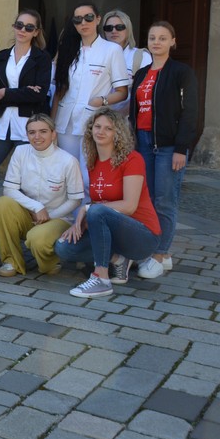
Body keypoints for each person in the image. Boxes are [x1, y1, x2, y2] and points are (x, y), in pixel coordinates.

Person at [59, 107, 161, 298]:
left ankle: (101, 279)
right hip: (114, 234)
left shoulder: (133, 159)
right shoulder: (93, 161)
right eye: (97, 126)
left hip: (143, 235)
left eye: (108, 128)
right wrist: (79, 224)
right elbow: (101, 208)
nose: (101, 131)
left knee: (96, 211)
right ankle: (118, 259)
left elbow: (129, 206)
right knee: (64, 247)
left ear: (118, 133)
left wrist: (88, 209)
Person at [130, 21, 198, 279]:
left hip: (170, 146)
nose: (156, 42)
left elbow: (190, 112)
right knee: (147, 199)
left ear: (172, 41)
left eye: (162, 38)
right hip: (144, 143)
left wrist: (182, 147)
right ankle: (162, 254)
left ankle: (159, 253)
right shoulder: (141, 73)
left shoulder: (181, 72)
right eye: (152, 37)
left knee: (165, 201)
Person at [0, 114, 84, 277]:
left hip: (58, 218)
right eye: (32, 132)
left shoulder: (68, 161)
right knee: (3, 203)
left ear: (53, 133)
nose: (37, 137)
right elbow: (9, 189)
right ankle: (11, 261)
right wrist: (36, 207)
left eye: (43, 131)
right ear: (26, 135)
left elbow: (75, 199)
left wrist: (48, 216)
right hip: (30, 213)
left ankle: (50, 260)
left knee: (37, 239)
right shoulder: (20, 152)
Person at [52, 2, 129, 190]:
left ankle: (86, 217)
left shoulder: (112, 50)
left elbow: (122, 92)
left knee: (88, 177)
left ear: (98, 19)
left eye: (88, 17)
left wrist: (101, 101)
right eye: (78, 19)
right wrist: (51, 124)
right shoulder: (67, 49)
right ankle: (68, 218)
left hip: (93, 123)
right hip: (65, 124)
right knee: (67, 176)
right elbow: (59, 91)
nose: (83, 23)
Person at [0, 10, 52, 208]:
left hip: (27, 127)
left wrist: (5, 93)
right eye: (19, 25)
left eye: (29, 27)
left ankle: (25, 226)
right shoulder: (2, 56)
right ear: (14, 26)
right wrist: (22, 93)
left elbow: (39, 94)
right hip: (0, 125)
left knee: (27, 183)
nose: (22, 30)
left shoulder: (42, 59)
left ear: (36, 32)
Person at [101, 9, 150, 115]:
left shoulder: (141, 57)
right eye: (108, 28)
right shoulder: (96, 55)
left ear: (128, 30)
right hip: (97, 120)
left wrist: (118, 116)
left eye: (120, 27)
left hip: (126, 120)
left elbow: (145, 94)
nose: (114, 31)